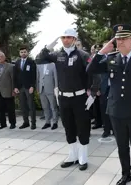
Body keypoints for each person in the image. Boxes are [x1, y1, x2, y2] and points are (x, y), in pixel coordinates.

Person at [87, 24, 131, 185]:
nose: (120, 42)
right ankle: (126, 175)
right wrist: (102, 51)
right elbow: (90, 69)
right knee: (122, 146)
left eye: (124, 38)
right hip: (116, 111)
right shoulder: (110, 58)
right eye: (118, 39)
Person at [42, 28, 92, 171]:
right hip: (64, 98)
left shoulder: (82, 55)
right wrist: (50, 45)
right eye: (63, 37)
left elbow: (92, 73)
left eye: (69, 37)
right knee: (68, 127)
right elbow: (39, 58)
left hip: (80, 97)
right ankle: (72, 155)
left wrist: (92, 92)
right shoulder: (57, 55)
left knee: (82, 127)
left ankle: (83, 157)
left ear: (75, 39)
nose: (66, 40)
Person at [0, 51, 16, 129]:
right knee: (0, 109)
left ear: (4, 57)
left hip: (8, 91)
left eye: (1, 56)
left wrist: (14, 90)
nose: (0, 58)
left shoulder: (11, 66)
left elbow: (13, 80)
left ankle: (12, 123)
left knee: (10, 108)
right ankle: (3, 124)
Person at [14, 45, 37, 130]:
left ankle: (33, 123)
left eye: (24, 52)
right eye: (21, 52)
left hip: (28, 87)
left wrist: (32, 86)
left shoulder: (31, 62)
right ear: (19, 53)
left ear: (27, 52)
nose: (23, 53)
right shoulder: (17, 62)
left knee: (31, 105)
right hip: (20, 87)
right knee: (23, 106)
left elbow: (34, 75)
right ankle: (26, 122)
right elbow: (15, 76)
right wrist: (15, 87)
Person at [35, 50, 59, 130]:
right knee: (45, 107)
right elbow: (37, 78)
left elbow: (55, 77)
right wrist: (37, 88)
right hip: (42, 89)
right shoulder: (39, 65)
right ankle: (47, 122)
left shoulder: (53, 65)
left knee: (53, 106)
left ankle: (55, 122)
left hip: (51, 88)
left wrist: (56, 87)